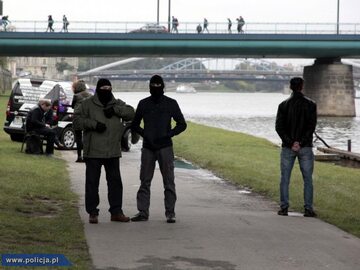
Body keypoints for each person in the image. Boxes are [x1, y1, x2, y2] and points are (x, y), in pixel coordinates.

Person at [75, 78, 135, 224]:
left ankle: (116, 212)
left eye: (109, 88)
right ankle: (93, 212)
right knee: (92, 183)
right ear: (98, 89)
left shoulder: (117, 103)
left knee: (115, 183)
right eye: (103, 88)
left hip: (112, 151)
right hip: (93, 151)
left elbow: (132, 113)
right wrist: (94, 124)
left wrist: (115, 110)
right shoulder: (87, 104)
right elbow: (76, 121)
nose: (106, 90)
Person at [131, 75, 187, 224]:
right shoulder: (143, 104)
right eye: (153, 85)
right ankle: (143, 212)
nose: (155, 88)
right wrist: (145, 134)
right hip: (148, 147)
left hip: (165, 146)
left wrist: (169, 134)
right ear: (149, 87)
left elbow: (182, 124)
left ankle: (170, 213)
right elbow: (135, 124)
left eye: (158, 85)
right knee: (145, 181)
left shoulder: (171, 103)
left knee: (168, 181)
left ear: (163, 87)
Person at [275, 77, 317, 218]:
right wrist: (300, 142)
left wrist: (291, 142)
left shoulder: (283, 105)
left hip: (288, 147)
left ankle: (284, 207)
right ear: (302, 86)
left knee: (285, 178)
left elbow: (279, 127)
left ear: (290, 87)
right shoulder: (311, 104)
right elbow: (311, 127)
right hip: (305, 147)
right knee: (308, 179)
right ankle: (308, 209)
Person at [71, 79, 91, 163]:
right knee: (87, 137)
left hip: (78, 118)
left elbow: (72, 106)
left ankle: (79, 156)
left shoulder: (76, 96)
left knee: (78, 137)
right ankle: (86, 156)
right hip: (87, 117)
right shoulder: (90, 95)